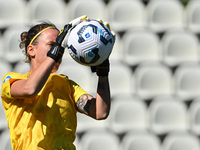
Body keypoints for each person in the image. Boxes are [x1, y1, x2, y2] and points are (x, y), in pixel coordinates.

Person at [1, 16, 114, 150]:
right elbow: (30, 89)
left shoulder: (67, 85)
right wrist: (55, 53)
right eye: (52, 45)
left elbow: (100, 112)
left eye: (61, 46)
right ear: (31, 50)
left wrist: (103, 74)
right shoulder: (12, 80)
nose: (59, 51)